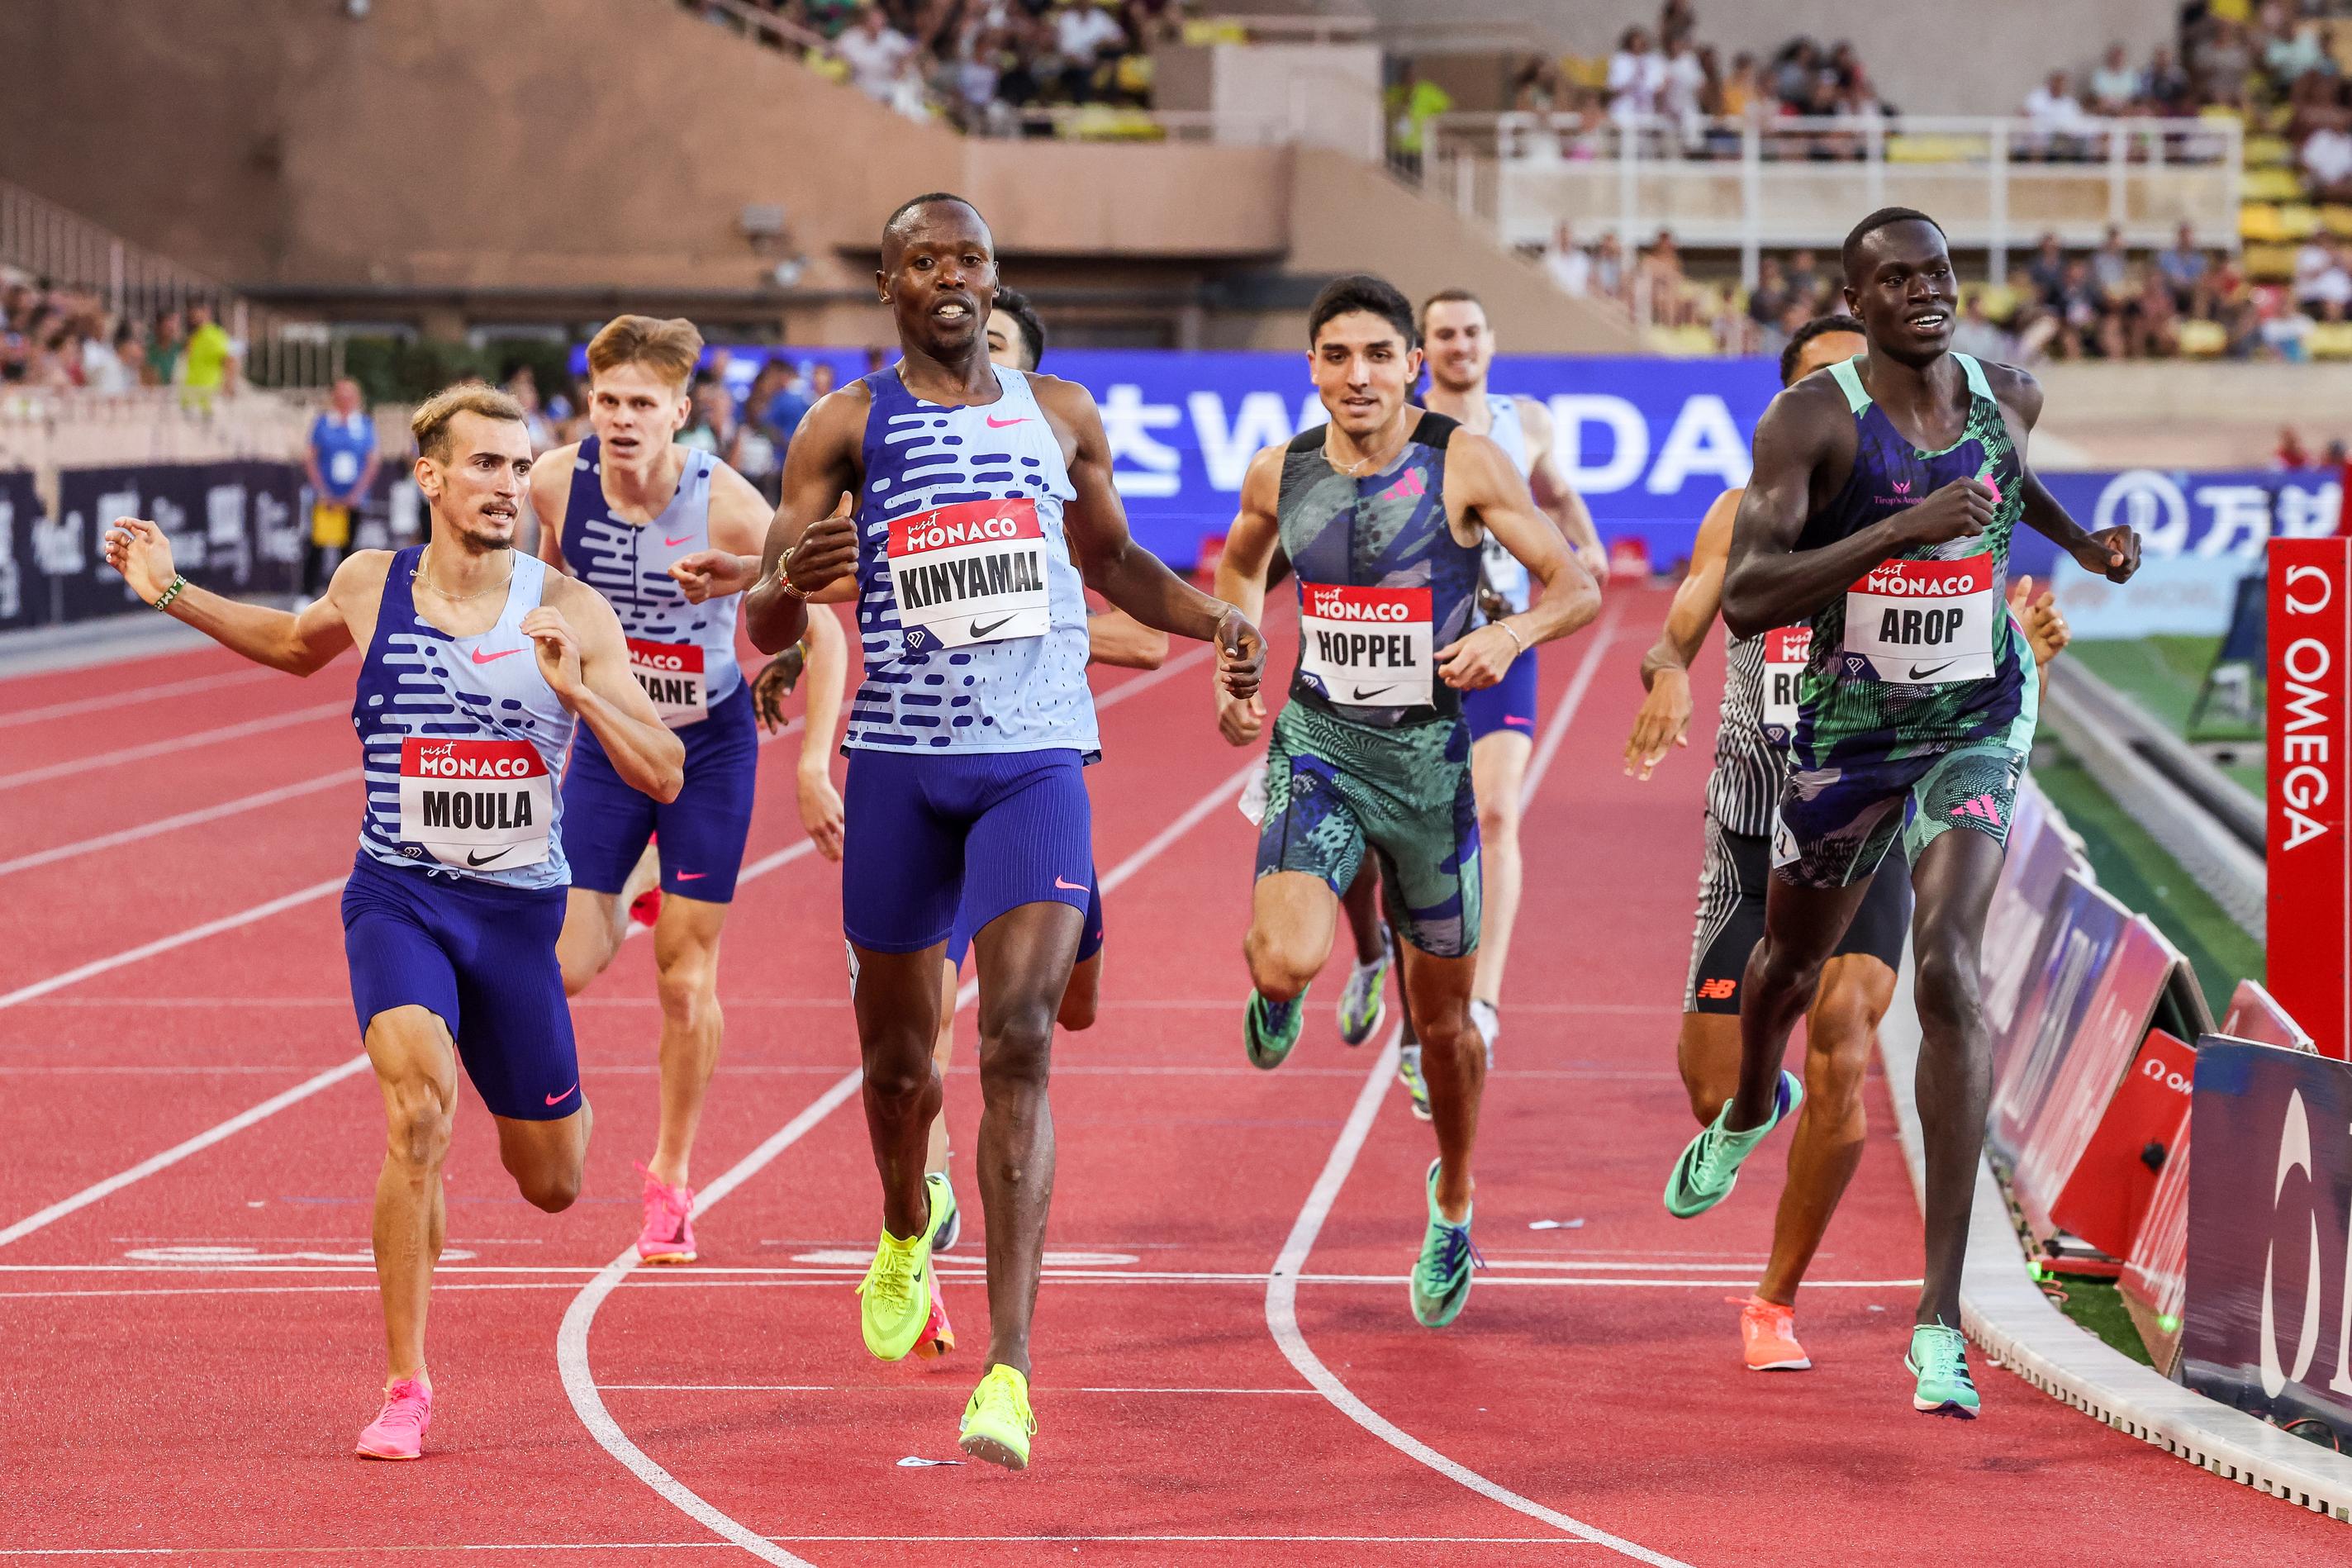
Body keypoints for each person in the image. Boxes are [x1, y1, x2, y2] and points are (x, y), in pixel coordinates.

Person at [734, 192, 1263, 1471]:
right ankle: (905, 1220)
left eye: (969, 257)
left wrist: (1216, 622)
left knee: (1019, 1036)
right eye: (924, 260)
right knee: (900, 1068)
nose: (951, 277)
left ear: (992, 276)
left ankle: (1008, 1369)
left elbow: (1113, 562)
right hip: (904, 770)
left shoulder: (1060, 413)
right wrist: (785, 588)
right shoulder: (844, 425)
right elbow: (762, 613)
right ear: (888, 286)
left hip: (1032, 757)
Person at [98, 382, 682, 1459]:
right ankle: (406, 1385)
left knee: (552, 1181)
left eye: (519, 467)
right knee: (416, 1111)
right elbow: (289, 643)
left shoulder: (568, 609)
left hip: (516, 915)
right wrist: (173, 587)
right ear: (430, 477)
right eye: (485, 465)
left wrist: (582, 692)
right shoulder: (372, 583)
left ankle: (560, 1038)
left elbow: (667, 765)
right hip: (398, 896)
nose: (508, 484)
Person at [1661, 207, 2139, 1419]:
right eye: (1893, 280)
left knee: (1945, 967)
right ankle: (1746, 1108)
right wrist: (1892, 532)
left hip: (1971, 715)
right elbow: (1746, 600)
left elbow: (2005, 481)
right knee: (1782, 963)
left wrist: (2082, 543)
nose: (1923, 294)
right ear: (1851, 299)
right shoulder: (1810, 423)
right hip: (1842, 734)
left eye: (1935, 274)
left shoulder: (2005, 390)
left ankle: (1936, 1321)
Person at [1213, 273, 1600, 1331]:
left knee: (1445, 1031)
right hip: (1320, 748)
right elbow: (1240, 568)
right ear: (1311, 369)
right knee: (1282, 954)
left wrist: (1508, 634)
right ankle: (1288, 989)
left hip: (1430, 768)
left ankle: (1455, 1196)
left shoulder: (1463, 461)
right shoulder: (1280, 471)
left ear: (1412, 366)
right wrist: (1235, 662)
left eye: (1379, 355)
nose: (1358, 376)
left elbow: (1576, 585)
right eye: (1336, 356)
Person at [524, 316, 777, 1269]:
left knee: (684, 976)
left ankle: (670, 1178)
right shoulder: (556, 481)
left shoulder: (731, 506)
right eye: (608, 402)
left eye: (643, 404)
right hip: (609, 746)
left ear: (682, 411)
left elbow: (821, 619)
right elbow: (543, 585)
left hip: (708, 748)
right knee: (567, 966)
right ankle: (633, 887)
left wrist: (805, 758)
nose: (623, 419)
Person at [1373, 287, 1602, 1110]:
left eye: (1472, 330)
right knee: (1413, 838)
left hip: (1505, 640)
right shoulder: (1400, 424)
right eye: (1444, 334)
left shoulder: (1527, 418)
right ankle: (1408, 1002)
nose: (1460, 344)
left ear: (1490, 341)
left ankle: (1483, 1005)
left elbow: (1558, 490)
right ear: (1420, 351)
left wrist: (1589, 544)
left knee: (1497, 813)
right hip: (1415, 651)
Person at [304, 377, 380, 599]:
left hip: (353, 497)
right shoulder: (323, 423)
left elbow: (372, 460)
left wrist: (357, 492)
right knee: (317, 545)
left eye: (350, 395)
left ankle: (343, 596)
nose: (345, 399)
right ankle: (307, 593)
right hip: (326, 496)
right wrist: (322, 491)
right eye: (341, 394)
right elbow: (311, 458)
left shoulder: (364, 425)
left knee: (348, 548)